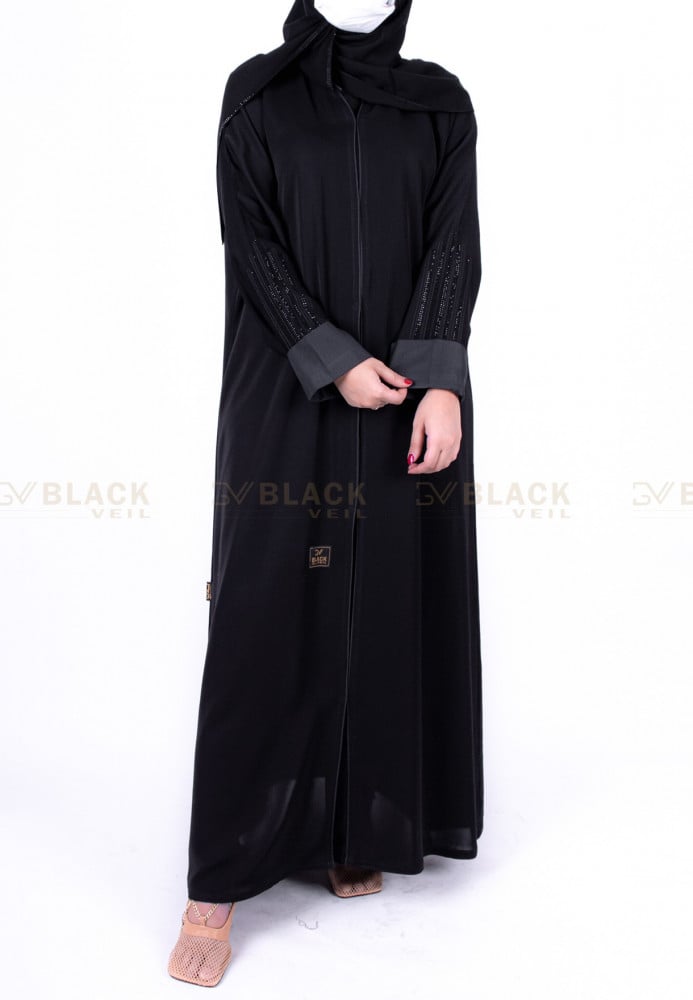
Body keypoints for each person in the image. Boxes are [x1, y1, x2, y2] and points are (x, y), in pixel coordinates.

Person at [168, 0, 484, 986]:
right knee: (266, 610)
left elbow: (453, 242)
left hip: (406, 393)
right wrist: (329, 356)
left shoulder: (437, 103)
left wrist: (440, 380)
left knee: (384, 599)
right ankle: (217, 878)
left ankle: (355, 824)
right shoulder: (257, 97)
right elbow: (252, 245)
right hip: (286, 386)